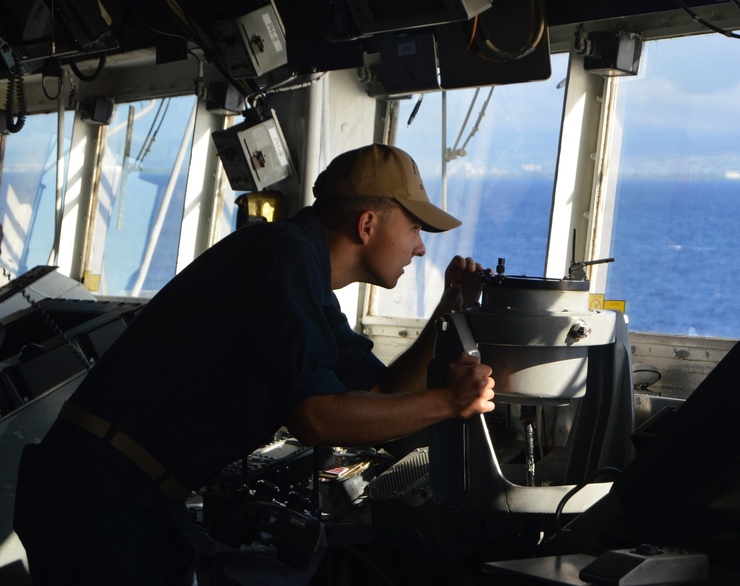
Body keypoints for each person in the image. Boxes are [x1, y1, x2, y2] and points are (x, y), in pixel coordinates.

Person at [13, 143, 496, 585]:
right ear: (367, 224)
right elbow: (317, 418)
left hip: (124, 492)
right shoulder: (282, 256)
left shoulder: (305, 275)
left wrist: (448, 309)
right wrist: (448, 402)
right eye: (413, 227)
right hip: (100, 493)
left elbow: (383, 393)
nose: (420, 246)